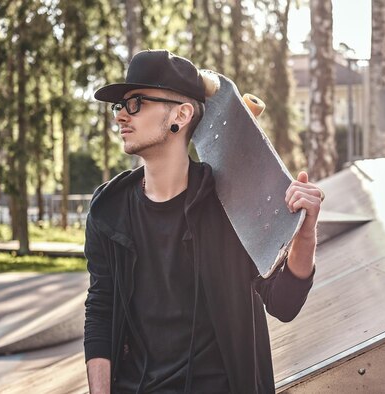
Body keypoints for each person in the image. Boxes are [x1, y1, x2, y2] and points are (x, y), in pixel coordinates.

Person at [84, 49, 323, 394]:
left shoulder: (228, 201)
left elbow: (284, 303)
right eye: (118, 106)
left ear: (180, 114)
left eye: (136, 103)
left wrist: (306, 235)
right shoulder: (108, 209)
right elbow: (100, 311)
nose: (121, 115)